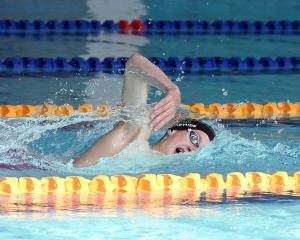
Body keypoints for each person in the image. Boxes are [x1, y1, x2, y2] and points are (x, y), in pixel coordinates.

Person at [74, 54, 215, 167]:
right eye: (195, 139)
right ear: (172, 131)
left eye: (199, 151)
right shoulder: (135, 136)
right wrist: (172, 90)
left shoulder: (164, 175)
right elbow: (134, 64)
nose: (193, 149)